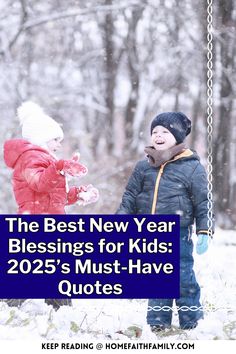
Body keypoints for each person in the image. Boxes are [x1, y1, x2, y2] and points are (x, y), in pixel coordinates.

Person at [117, 112, 213, 331]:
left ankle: (192, 322)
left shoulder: (191, 167)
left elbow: (203, 201)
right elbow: (130, 196)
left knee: (182, 277)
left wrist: (204, 230)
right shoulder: (144, 167)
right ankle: (158, 324)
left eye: (165, 132)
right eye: (154, 132)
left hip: (177, 232)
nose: (158, 135)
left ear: (177, 136)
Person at [3, 101, 99, 310]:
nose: (58, 145)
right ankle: (8, 307)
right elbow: (39, 183)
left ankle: (60, 311)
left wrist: (79, 194)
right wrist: (60, 167)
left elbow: (55, 197)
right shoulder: (30, 158)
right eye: (55, 139)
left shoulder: (44, 159)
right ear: (41, 137)